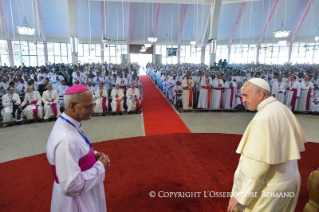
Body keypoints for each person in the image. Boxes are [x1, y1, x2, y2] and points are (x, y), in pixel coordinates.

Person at [228, 78, 307, 212]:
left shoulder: (262, 119)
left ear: (260, 94)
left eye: (246, 95)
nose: (243, 100)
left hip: (271, 188)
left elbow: (257, 166)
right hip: (290, 180)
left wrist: (241, 195)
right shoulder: (282, 108)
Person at [46, 84, 110, 212]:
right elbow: (71, 185)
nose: (93, 110)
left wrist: (93, 154)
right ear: (72, 106)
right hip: (77, 202)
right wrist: (100, 167)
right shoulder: (66, 139)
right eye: (89, 107)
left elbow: (79, 148)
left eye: (93, 105)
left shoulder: (69, 122)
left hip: (84, 193)